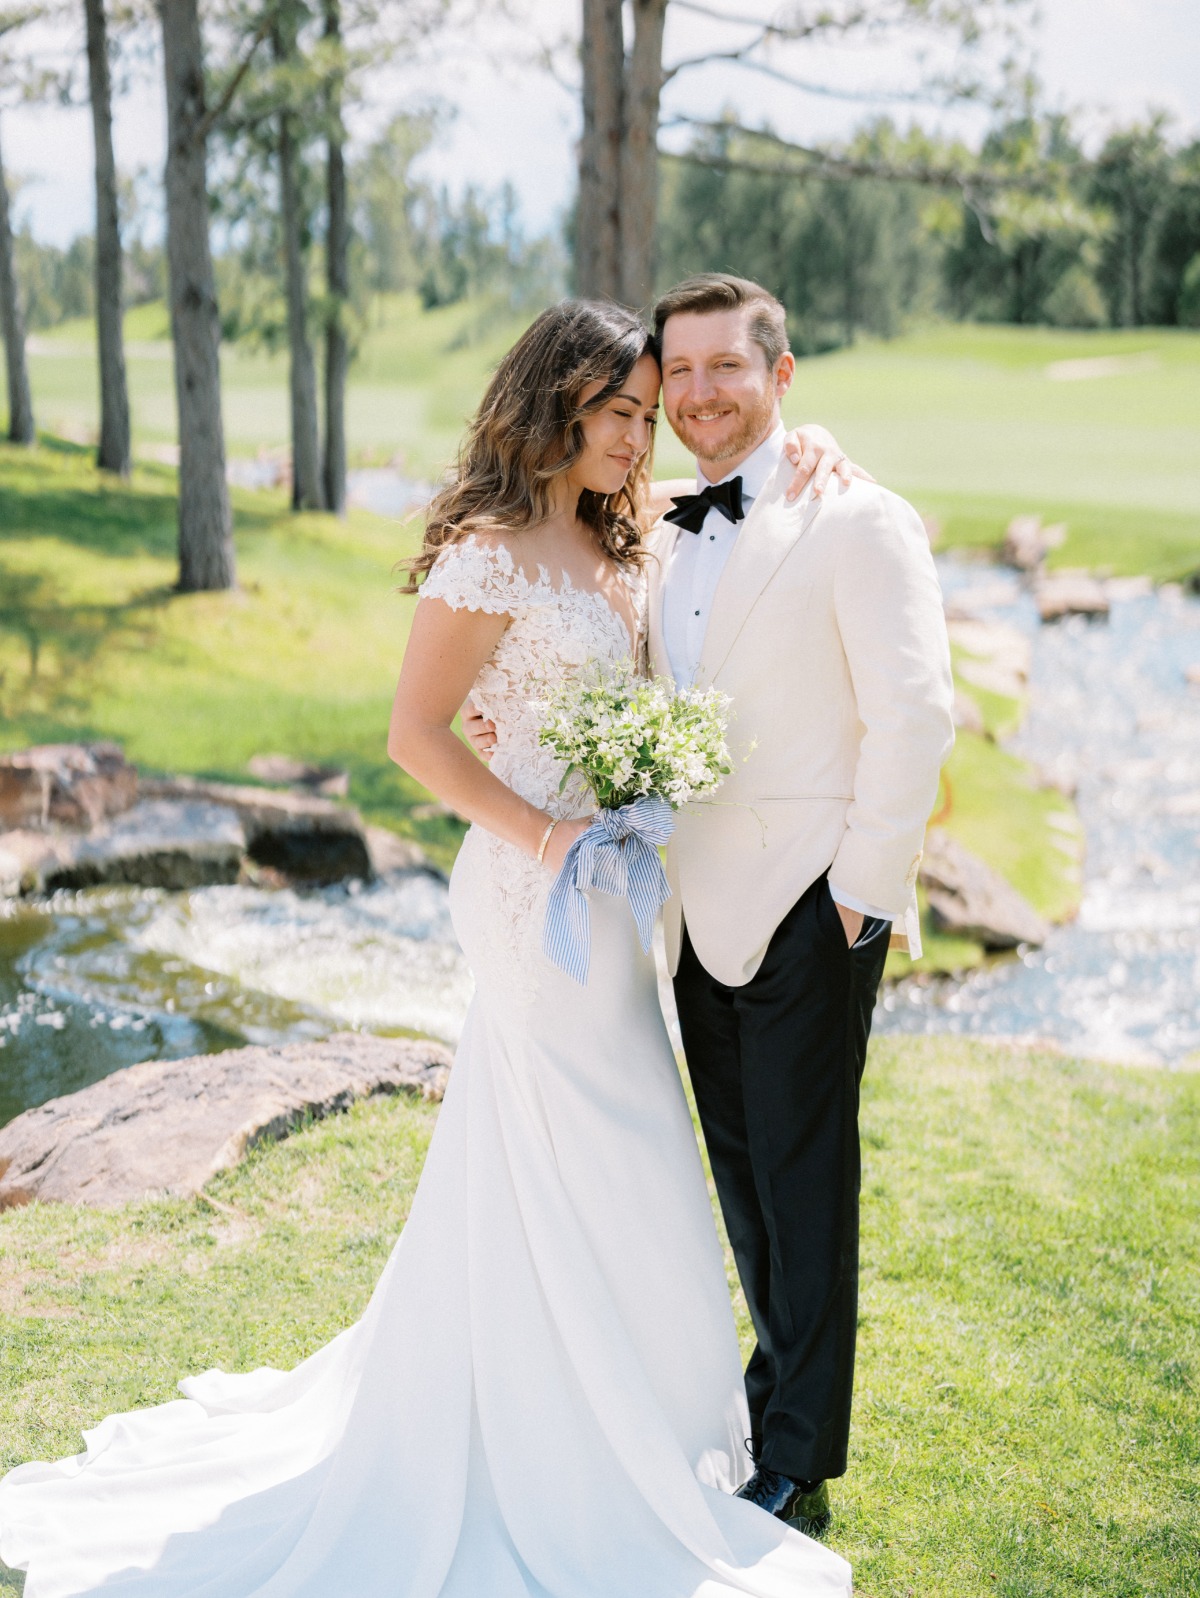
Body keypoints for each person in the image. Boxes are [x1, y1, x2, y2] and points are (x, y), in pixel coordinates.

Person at [0, 299, 864, 1598]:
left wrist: (820, 452)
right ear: (554, 403)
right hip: (532, 894)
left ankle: (648, 1414)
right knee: (581, 1141)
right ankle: (551, 1441)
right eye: (616, 410)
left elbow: (755, 481)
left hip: (617, 895)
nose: (638, 433)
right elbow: (417, 736)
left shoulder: (629, 531)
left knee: (612, 1148)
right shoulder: (490, 549)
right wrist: (547, 837)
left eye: (646, 412)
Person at [468, 274, 955, 1540]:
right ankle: (770, 1395)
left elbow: (917, 718)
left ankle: (799, 1452)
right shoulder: (664, 520)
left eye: (723, 368)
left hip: (810, 905)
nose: (693, 396)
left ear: (780, 375)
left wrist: (861, 898)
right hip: (686, 912)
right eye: (674, 375)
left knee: (805, 1181)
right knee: (741, 1177)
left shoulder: (860, 518)